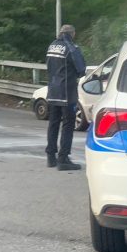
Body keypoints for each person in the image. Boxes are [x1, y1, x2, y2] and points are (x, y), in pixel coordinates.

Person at [46, 24, 87, 170]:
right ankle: (63, 159)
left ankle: (51, 157)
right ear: (72, 34)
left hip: (52, 91)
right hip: (67, 92)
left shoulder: (51, 46)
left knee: (53, 124)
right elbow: (81, 69)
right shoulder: (71, 47)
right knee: (68, 125)